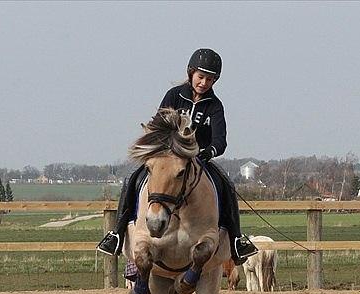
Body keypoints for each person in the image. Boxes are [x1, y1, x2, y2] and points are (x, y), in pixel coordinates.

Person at [97, 48, 258, 265]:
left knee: (226, 185)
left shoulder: (215, 106)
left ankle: (237, 239)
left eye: (209, 79)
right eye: (201, 77)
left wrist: (207, 152)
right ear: (191, 73)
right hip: (169, 158)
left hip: (198, 160)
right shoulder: (174, 95)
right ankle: (116, 234)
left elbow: (221, 141)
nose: (204, 83)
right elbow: (158, 124)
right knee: (133, 179)